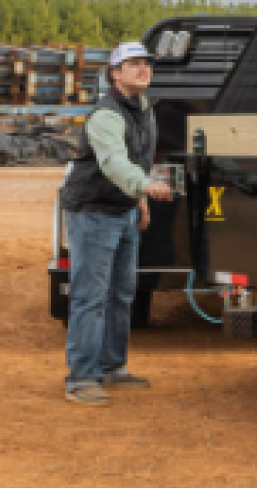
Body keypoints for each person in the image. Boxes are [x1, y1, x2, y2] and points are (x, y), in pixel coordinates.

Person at [59, 41, 173, 406]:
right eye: (134, 64)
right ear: (115, 74)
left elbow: (137, 160)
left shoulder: (144, 110)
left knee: (121, 293)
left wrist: (138, 200)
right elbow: (114, 164)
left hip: (121, 211)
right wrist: (145, 186)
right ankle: (81, 378)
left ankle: (112, 367)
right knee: (90, 297)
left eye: (146, 63)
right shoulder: (107, 115)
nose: (143, 69)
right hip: (93, 212)